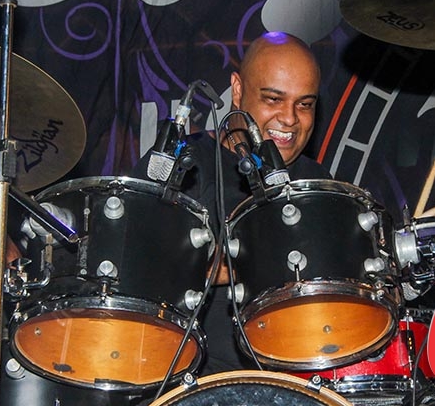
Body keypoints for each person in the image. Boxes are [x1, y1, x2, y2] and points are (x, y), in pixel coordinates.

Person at [133, 31, 331, 376]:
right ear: (237, 90)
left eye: (304, 104)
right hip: (192, 382)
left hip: (297, 379)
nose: (289, 118)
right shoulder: (179, 167)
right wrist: (228, 267)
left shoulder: (317, 183)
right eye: (273, 99)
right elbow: (129, 271)